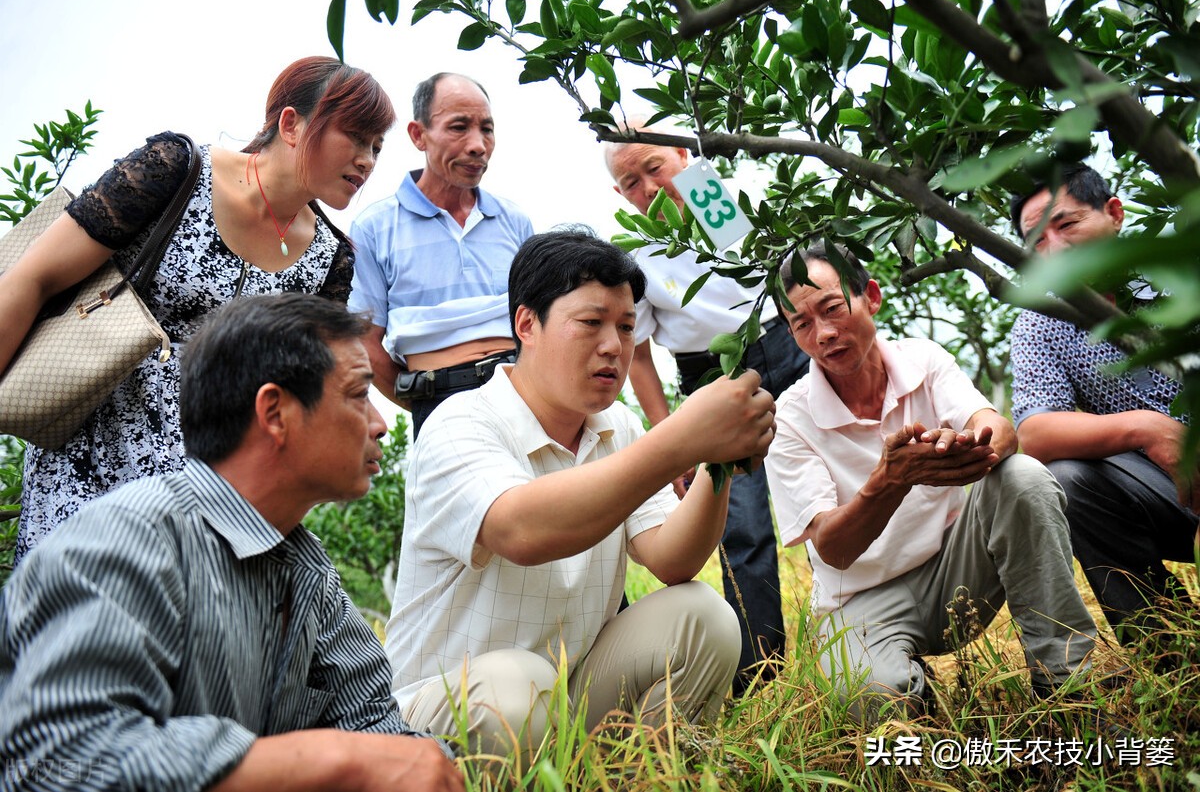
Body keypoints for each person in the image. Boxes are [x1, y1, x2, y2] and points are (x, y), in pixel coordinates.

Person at [0, 294, 463, 792]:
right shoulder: (124, 544)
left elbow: (378, 728)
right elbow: (58, 761)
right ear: (275, 412)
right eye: (357, 394)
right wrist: (337, 758)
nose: (380, 423)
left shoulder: (308, 573)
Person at [385, 229, 776, 758]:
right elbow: (521, 530)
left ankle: (646, 775)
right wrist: (680, 438)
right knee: (515, 687)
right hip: (444, 714)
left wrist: (716, 462)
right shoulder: (461, 422)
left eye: (627, 326)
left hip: (564, 697)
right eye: (591, 323)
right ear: (527, 324)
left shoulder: (616, 426)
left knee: (702, 616)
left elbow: (672, 558)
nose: (614, 346)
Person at [0, 56, 396, 563]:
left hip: (211, 495)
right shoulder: (176, 172)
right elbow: (34, 278)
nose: (367, 159)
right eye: (356, 136)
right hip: (89, 459)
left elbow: (304, 396)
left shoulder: (331, 261)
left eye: (377, 147)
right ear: (291, 124)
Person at [764, 245, 1097, 718]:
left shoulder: (923, 358)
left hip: (955, 571)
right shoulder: (792, 420)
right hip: (860, 600)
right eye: (801, 324)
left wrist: (968, 446)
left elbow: (999, 430)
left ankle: (1066, 686)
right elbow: (833, 551)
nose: (824, 333)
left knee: (1021, 476)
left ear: (871, 297)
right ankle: (920, 698)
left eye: (833, 308)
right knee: (870, 697)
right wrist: (890, 479)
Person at [605, 128, 810, 695]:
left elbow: (775, 267)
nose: (648, 187)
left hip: (787, 347)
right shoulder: (633, 253)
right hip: (710, 376)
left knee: (824, 494)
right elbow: (639, 356)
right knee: (741, 526)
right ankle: (760, 677)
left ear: (683, 158)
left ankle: (859, 635)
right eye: (630, 183)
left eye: (655, 167)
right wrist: (669, 435)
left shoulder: (720, 202)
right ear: (621, 196)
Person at [1009, 163, 1198, 645]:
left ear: (1114, 214)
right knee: (1069, 477)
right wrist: (1147, 428)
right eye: (1038, 240)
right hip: (1169, 491)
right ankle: (1168, 649)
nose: (1057, 247)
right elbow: (1035, 431)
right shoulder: (1042, 322)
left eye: (1068, 224)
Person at [348, 72, 534, 438]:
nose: (478, 145)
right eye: (459, 127)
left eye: (487, 129)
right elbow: (366, 342)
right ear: (418, 135)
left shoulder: (515, 222)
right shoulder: (374, 227)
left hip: (528, 396)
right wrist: (426, 404)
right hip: (438, 402)